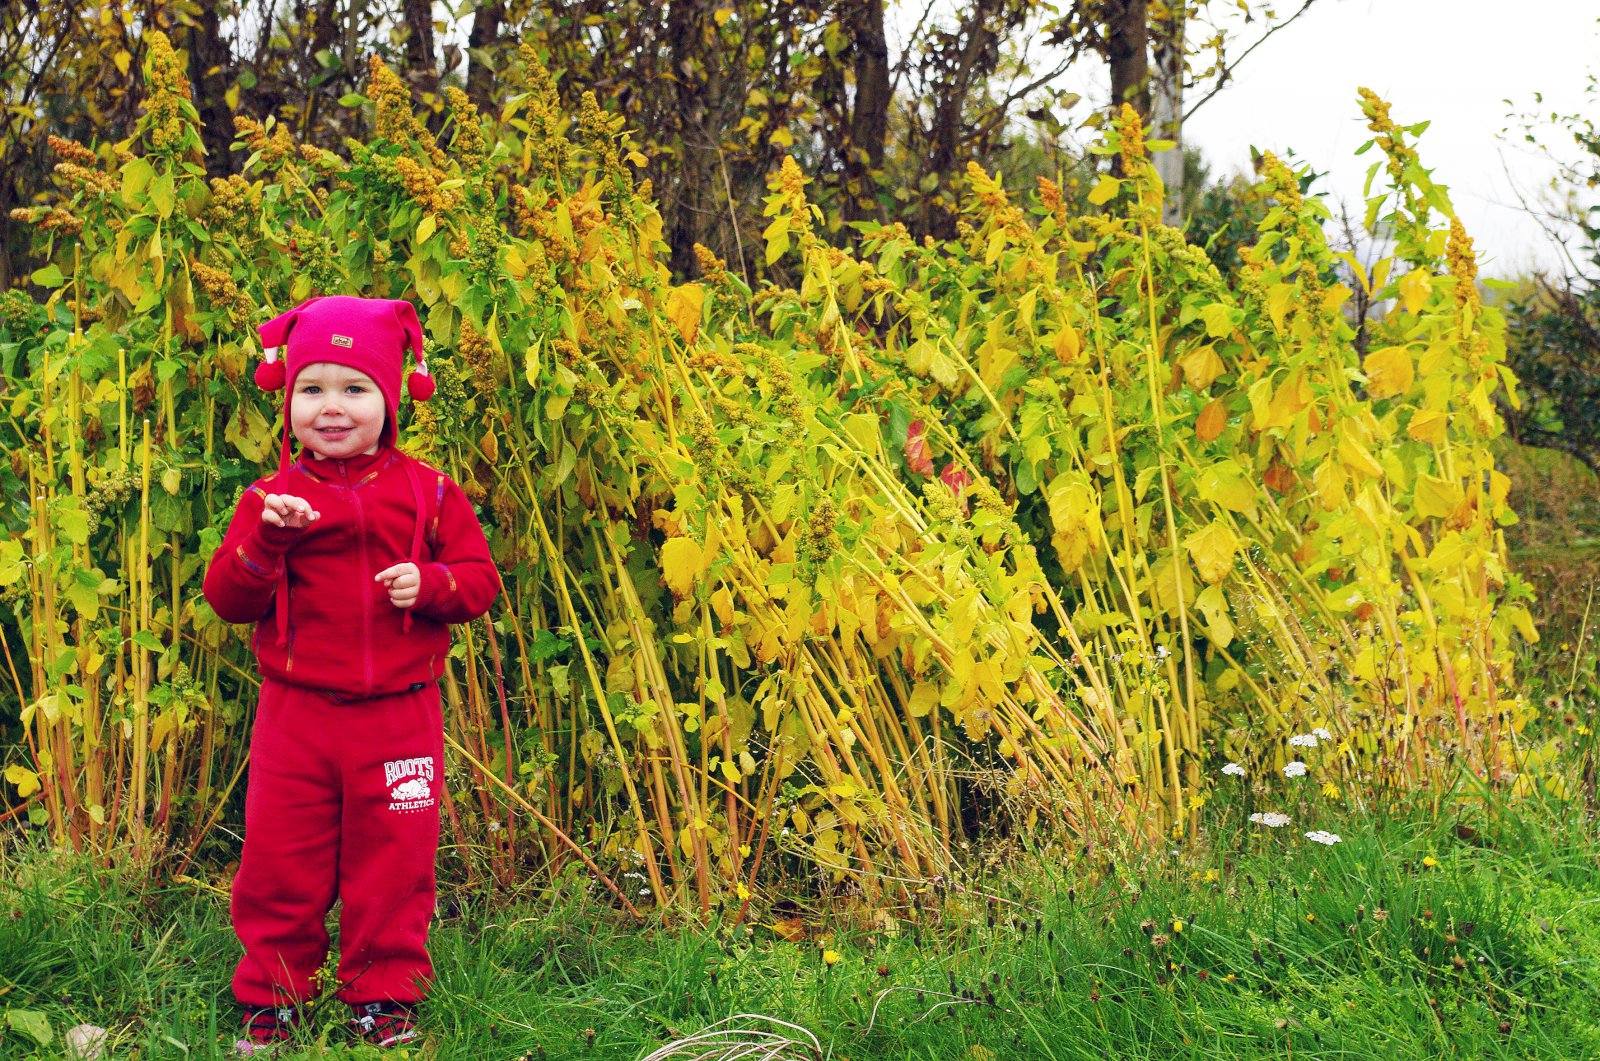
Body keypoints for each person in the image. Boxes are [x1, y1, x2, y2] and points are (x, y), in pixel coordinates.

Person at [203, 295, 499, 1053]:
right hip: (295, 717)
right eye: (313, 389)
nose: (332, 408)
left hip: (400, 716)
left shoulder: (430, 492)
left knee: (394, 861)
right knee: (278, 857)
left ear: (393, 397)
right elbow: (230, 600)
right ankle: (274, 995)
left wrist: (430, 585)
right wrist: (267, 545)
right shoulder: (271, 499)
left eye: (355, 388)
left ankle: (383, 993)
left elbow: (479, 580)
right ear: (288, 397)